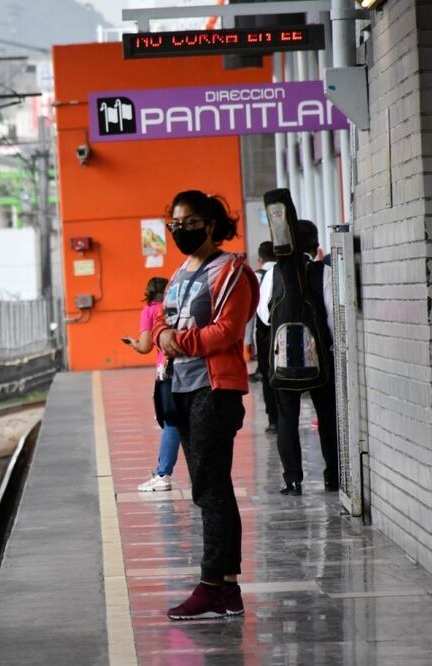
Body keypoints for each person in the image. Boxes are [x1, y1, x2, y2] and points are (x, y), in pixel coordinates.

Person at [151, 190, 259, 620]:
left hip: (214, 390)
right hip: (182, 387)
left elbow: (229, 330)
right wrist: (162, 335)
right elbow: (162, 317)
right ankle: (228, 588)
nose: (180, 230)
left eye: (190, 223)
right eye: (175, 224)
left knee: (209, 489)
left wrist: (179, 342)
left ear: (211, 224)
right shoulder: (180, 272)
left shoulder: (232, 271)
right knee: (214, 487)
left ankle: (211, 585)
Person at [263, 219, 338, 495]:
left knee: (287, 417)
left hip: (283, 358)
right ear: (316, 247)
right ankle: (333, 477)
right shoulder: (324, 272)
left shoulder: (273, 273)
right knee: (327, 415)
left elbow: (264, 314)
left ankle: (293, 480)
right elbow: (333, 317)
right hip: (319, 358)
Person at [123, 277, 183, 492]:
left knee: (171, 421)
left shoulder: (149, 311)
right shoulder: (176, 305)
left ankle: (163, 474)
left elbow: (145, 346)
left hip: (166, 370)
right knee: (190, 421)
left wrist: (133, 343)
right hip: (190, 366)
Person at [253, 241, 279, 434]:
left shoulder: (256, 276)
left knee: (267, 375)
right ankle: (286, 417)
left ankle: (273, 420)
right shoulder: (284, 272)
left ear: (260, 259)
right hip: (283, 331)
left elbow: (250, 311)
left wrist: (248, 340)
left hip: (263, 333)